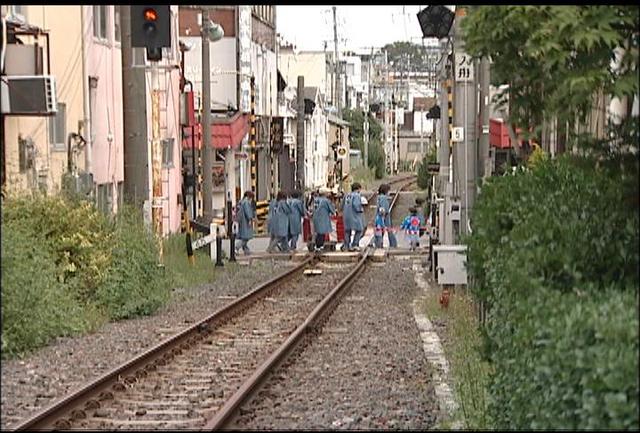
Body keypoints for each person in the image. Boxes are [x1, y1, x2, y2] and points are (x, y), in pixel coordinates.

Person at [341, 182, 365, 251]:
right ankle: (355, 244)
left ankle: (346, 245)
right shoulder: (357, 195)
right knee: (359, 229)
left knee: (347, 231)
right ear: (358, 189)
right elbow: (356, 205)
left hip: (346, 215)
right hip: (354, 215)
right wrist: (361, 209)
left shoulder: (346, 195)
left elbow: (342, 205)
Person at [377, 183, 398, 248]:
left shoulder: (379, 197)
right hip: (384, 217)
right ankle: (393, 244)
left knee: (379, 231)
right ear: (385, 191)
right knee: (388, 230)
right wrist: (383, 215)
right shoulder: (383, 198)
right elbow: (383, 209)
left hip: (380, 217)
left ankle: (378, 243)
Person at [236, 191, 256, 255]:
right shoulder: (246, 203)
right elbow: (248, 212)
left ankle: (246, 250)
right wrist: (250, 219)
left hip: (242, 221)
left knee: (244, 236)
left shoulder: (241, 202)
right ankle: (236, 248)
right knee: (245, 237)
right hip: (245, 222)